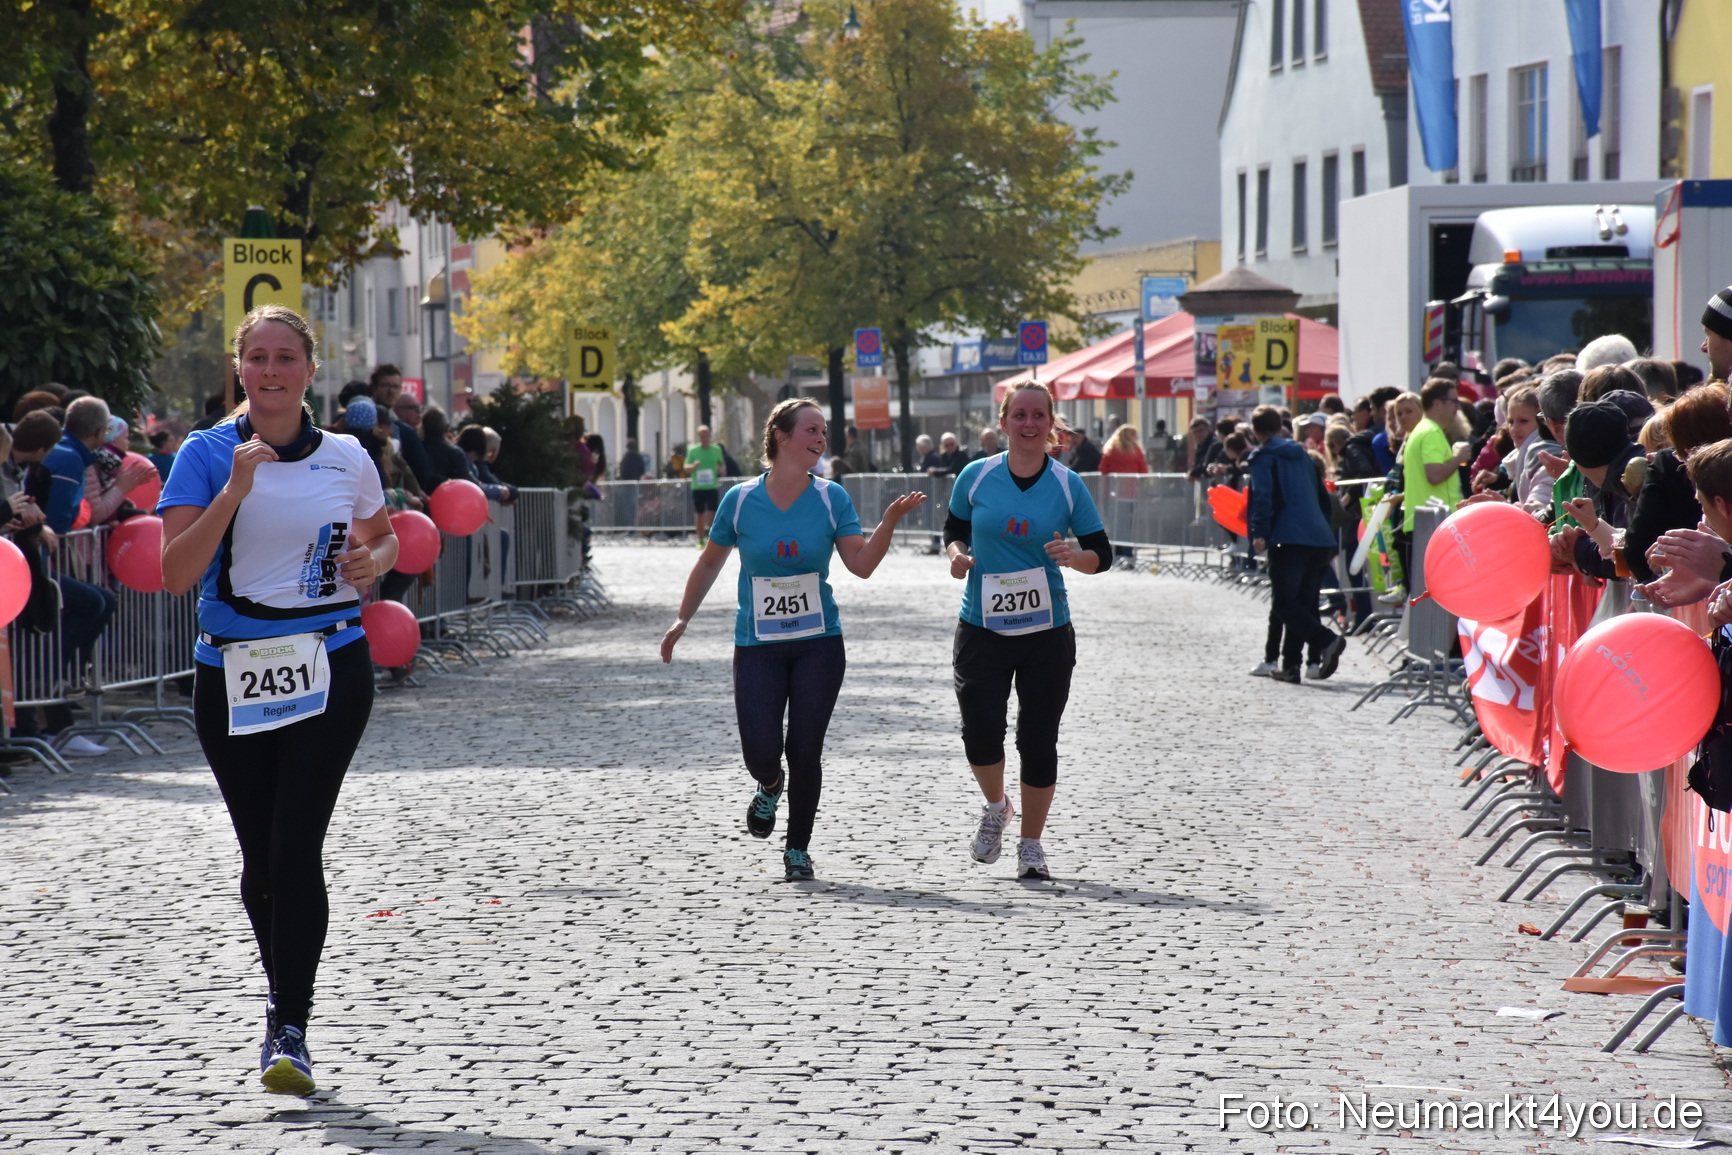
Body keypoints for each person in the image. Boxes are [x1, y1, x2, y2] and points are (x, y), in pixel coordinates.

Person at [158, 305, 397, 1096]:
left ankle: (289, 1022)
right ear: (239, 367)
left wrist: (374, 562)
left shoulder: (347, 455)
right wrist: (235, 489)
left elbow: (384, 535)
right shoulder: (204, 453)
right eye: (257, 356)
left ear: (309, 370)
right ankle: (282, 994)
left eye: (285, 356)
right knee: (261, 856)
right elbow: (174, 572)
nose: (270, 370)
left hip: (331, 662)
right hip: (232, 672)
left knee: (297, 845)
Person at [660, 399, 926, 881]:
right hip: (757, 644)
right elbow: (709, 562)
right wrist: (682, 619)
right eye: (811, 430)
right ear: (781, 436)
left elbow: (861, 565)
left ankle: (797, 848)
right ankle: (769, 783)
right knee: (761, 751)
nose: (821, 439)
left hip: (818, 644)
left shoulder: (831, 498)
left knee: (805, 749)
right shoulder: (740, 500)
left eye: (824, 431)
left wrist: (887, 523)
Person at [944, 382, 1110, 882]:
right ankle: (997, 806)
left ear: (1051, 422)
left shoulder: (1067, 484)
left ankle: (1031, 846)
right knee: (980, 733)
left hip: (1046, 630)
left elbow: (1102, 553)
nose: (1030, 423)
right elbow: (954, 530)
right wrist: (957, 556)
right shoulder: (976, 475)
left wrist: (1074, 557)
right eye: (1020, 415)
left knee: (1038, 739)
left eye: (1039, 415)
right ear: (1004, 422)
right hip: (982, 626)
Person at [1247, 405, 1346, 685]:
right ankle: (1291, 665)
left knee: (1283, 602)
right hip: (1318, 535)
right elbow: (1320, 494)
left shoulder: (1263, 457)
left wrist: (1260, 532)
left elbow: (1263, 497)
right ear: (1280, 427)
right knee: (1301, 602)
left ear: (1255, 431)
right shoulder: (1302, 454)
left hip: (1289, 536)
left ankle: (1326, 640)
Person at [368, 366, 436, 492]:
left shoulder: (401, 428)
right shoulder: (367, 422)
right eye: (386, 385)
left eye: (395, 386)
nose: (391, 391)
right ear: (374, 388)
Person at [683, 425, 725, 544]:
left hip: (712, 486)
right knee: (699, 514)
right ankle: (700, 539)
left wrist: (722, 470)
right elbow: (685, 467)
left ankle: (711, 538)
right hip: (698, 487)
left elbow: (722, 463)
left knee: (713, 512)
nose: (704, 438)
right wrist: (693, 466)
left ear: (709, 436)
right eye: (701, 436)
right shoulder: (693, 450)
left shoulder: (716, 449)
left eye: (706, 435)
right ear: (698, 437)